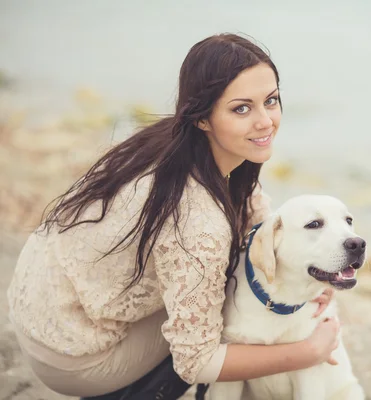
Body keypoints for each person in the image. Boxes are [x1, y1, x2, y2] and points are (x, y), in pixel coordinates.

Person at [6, 33, 340, 400]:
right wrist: (308, 352)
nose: (265, 121)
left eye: (271, 100)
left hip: (37, 304)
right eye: (241, 108)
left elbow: (255, 219)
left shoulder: (174, 144)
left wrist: (307, 272)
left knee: (226, 283)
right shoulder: (198, 220)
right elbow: (195, 362)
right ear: (202, 118)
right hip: (73, 354)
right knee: (225, 308)